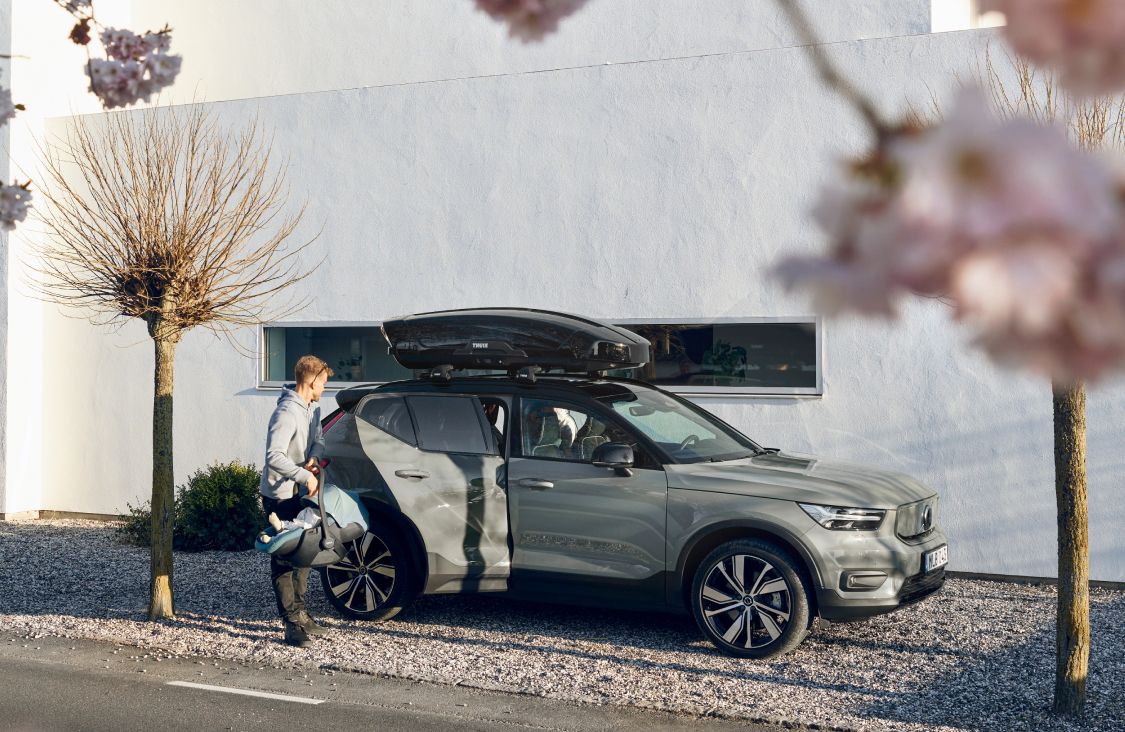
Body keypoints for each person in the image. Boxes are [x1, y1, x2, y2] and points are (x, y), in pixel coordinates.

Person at [259, 354, 333, 648]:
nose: (325, 388)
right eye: (324, 383)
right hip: (279, 497)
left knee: (304, 555)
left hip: (300, 494)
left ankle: (302, 615)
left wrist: (313, 457)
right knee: (283, 560)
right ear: (312, 380)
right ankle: (291, 625)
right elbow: (273, 456)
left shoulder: (311, 409)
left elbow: (319, 439)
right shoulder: (286, 412)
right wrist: (305, 476)